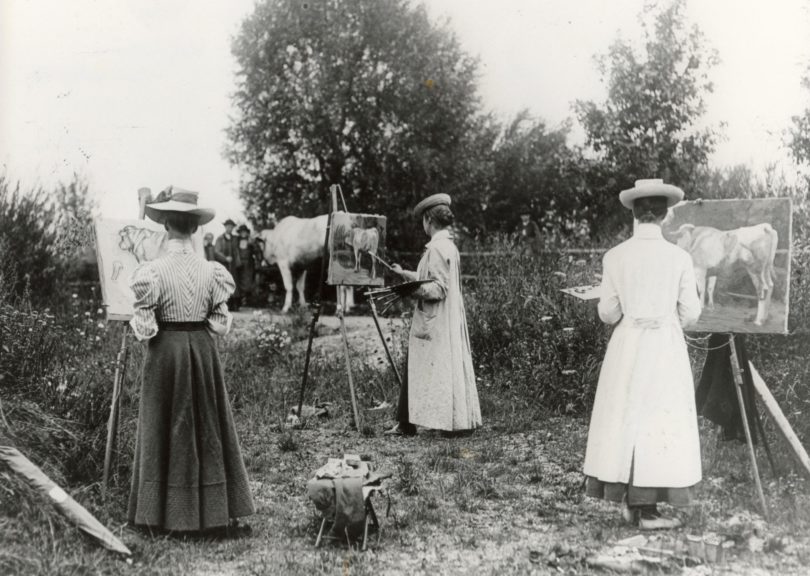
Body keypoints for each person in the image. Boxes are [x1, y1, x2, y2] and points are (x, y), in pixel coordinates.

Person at [128, 187, 254, 535]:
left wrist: (141, 320)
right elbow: (220, 323)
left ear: (165, 224)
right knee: (208, 426)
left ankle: (159, 515)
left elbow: (145, 326)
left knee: (161, 424)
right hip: (202, 349)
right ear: (195, 228)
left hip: (165, 350)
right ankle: (212, 514)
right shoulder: (212, 271)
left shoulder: (150, 272)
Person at [583, 178, 702, 530]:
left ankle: (632, 502)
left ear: (636, 214)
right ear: (664, 216)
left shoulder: (616, 256)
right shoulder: (679, 257)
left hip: (628, 344)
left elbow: (607, 313)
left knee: (625, 417)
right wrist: (665, 319)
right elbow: (691, 314)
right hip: (664, 345)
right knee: (660, 421)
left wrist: (633, 313)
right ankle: (646, 510)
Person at [385, 193, 482, 436]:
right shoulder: (447, 246)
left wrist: (410, 290)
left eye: (423, 221)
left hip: (437, 319)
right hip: (445, 319)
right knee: (436, 365)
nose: (423, 226)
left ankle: (437, 424)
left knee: (431, 366)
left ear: (429, 220)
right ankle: (436, 422)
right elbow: (431, 277)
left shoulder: (437, 248)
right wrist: (405, 274)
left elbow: (438, 288)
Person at [215, 219, 241, 310]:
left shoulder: (235, 239)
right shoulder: (220, 239)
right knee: (225, 283)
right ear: (225, 227)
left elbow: (238, 250)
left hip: (233, 266)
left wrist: (237, 261)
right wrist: (225, 258)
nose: (229, 228)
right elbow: (217, 251)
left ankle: (235, 305)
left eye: (231, 227)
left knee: (234, 283)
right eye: (228, 226)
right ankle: (225, 305)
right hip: (224, 265)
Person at [235, 224, 261, 308]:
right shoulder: (237, 240)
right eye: (242, 232)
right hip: (239, 264)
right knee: (239, 281)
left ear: (247, 232)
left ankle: (247, 301)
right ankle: (241, 301)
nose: (243, 233)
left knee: (248, 282)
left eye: (244, 232)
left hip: (248, 264)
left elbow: (257, 251)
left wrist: (253, 244)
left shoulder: (251, 240)